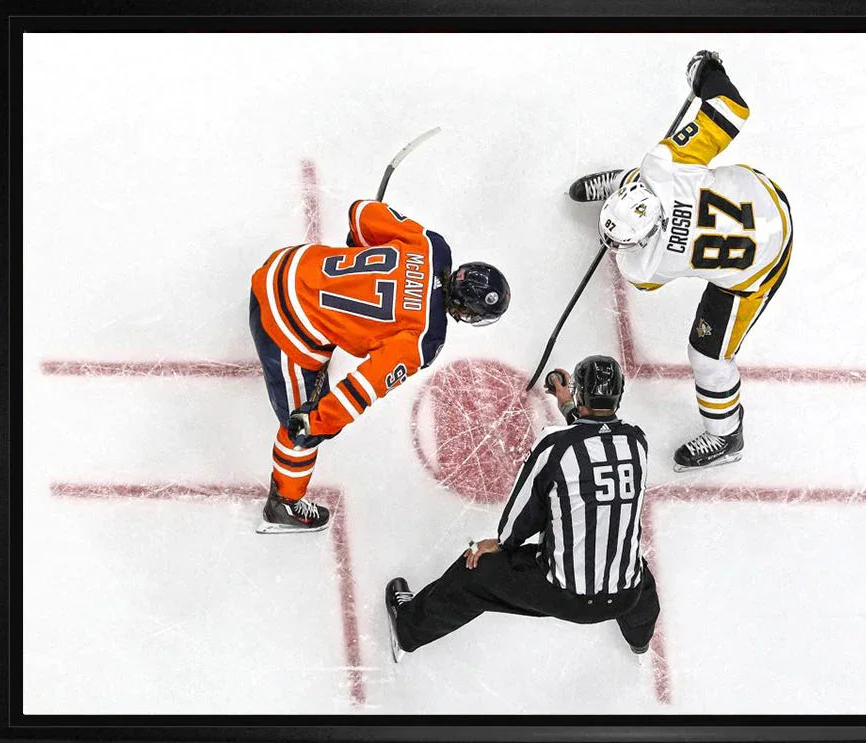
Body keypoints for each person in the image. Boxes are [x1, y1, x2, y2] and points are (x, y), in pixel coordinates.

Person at [568, 50, 793, 472]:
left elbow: (648, 273)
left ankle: (727, 437)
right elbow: (732, 107)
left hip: (760, 266)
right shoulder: (665, 166)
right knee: (672, 167)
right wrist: (706, 71)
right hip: (764, 198)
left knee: (709, 357)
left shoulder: (641, 267)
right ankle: (624, 181)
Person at [249, 199, 510, 533]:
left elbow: (361, 213)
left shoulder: (434, 246)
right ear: (467, 310)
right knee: (301, 430)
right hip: (281, 322)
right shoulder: (425, 337)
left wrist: (363, 243)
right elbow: (362, 387)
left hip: (284, 264)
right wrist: (319, 422)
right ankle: (282, 504)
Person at [384, 355, 660, 661]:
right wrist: (568, 405)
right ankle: (640, 642)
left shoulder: (554, 446)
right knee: (637, 575)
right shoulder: (638, 442)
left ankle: (407, 630)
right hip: (625, 596)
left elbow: (522, 518)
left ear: (580, 394)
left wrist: (502, 543)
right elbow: (596, 439)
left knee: (473, 573)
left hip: (563, 595)